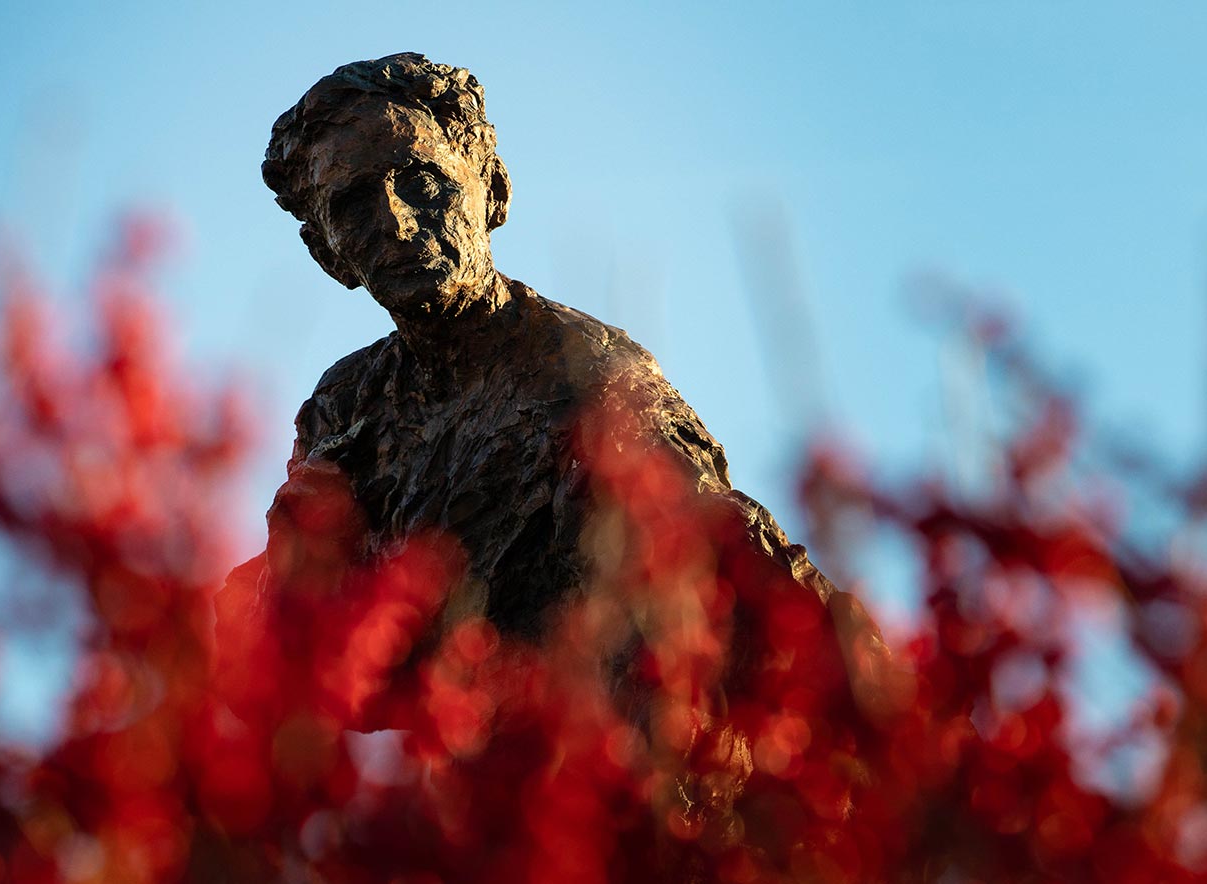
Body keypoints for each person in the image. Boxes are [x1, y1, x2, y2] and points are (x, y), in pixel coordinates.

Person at [240, 53, 887, 738]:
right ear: (328, 252)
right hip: (431, 778)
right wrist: (292, 572)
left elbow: (718, 553)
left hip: (579, 767)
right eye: (355, 204)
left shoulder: (587, 378)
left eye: (422, 182)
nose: (397, 224)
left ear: (490, 189)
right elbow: (313, 661)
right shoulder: (345, 405)